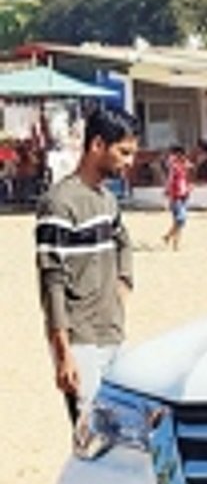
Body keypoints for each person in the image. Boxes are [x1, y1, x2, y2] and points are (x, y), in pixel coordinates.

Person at [34, 105, 139, 424]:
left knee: (120, 437)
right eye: (124, 152)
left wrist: (123, 284)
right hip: (80, 342)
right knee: (90, 436)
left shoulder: (107, 200)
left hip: (113, 335)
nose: (130, 162)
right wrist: (63, 352)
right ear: (97, 146)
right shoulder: (59, 202)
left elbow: (124, 241)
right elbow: (51, 281)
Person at [161, 144, 193, 249]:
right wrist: (167, 191)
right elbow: (170, 178)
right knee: (180, 219)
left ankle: (174, 242)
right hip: (176, 195)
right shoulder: (173, 165)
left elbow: (189, 172)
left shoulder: (183, 165)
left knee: (178, 221)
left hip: (184, 194)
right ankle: (169, 237)